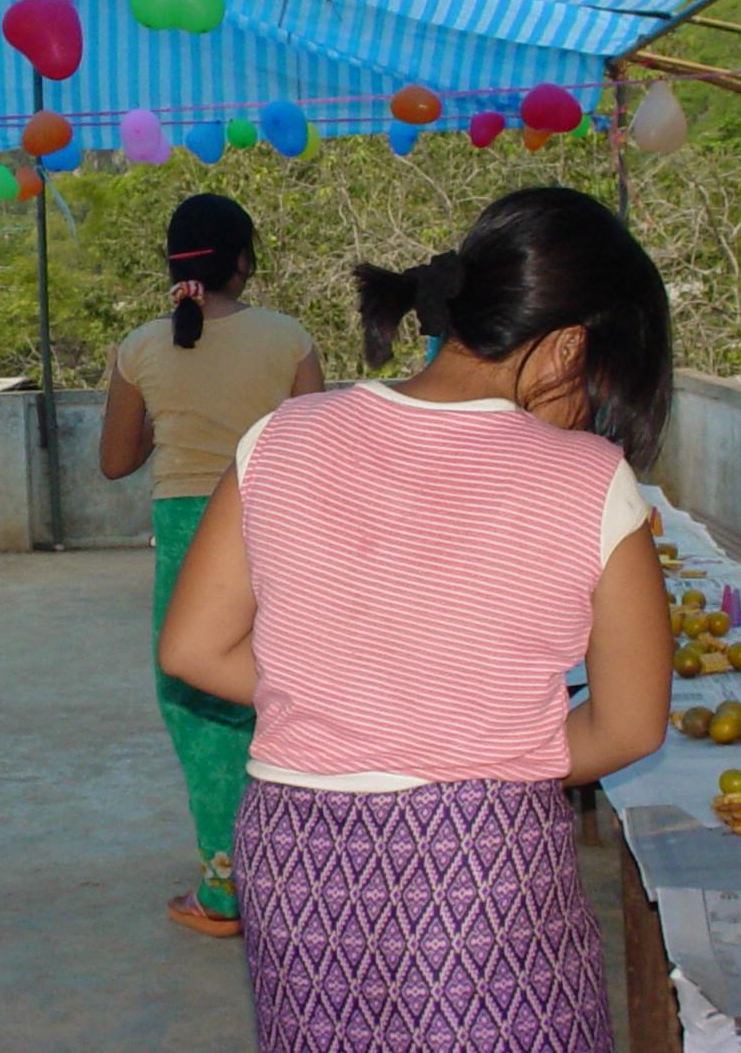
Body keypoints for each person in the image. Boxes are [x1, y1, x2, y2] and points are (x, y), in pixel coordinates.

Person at [158, 186, 675, 1049]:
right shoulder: (587, 477)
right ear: (569, 345)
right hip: (477, 862)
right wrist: (483, 739)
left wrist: (356, 703)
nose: (593, 404)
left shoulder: (283, 435)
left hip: (295, 852)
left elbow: (192, 648)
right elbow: (629, 724)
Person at [99, 193, 323, 938]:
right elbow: (317, 453)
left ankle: (225, 886)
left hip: (188, 533)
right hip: (277, 525)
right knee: (288, 689)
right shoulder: (289, 339)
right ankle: (303, 868)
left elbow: (115, 461)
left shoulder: (140, 348)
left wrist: (166, 421)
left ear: (172, 264)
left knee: (197, 703)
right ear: (244, 262)